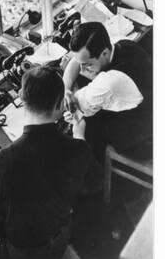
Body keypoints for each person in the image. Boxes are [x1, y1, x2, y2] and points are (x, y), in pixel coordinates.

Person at [0, 66, 102, 259]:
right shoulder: (78, 149)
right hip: (60, 239)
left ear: (22, 100)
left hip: (22, 258)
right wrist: (80, 138)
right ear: (60, 105)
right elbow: (96, 182)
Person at [63, 22, 152, 160]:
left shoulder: (110, 82)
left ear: (104, 52)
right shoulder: (123, 45)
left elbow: (75, 107)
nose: (81, 69)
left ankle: (95, 173)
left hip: (142, 135)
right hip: (149, 105)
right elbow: (76, 61)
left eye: (87, 65)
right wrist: (65, 88)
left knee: (88, 127)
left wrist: (74, 109)